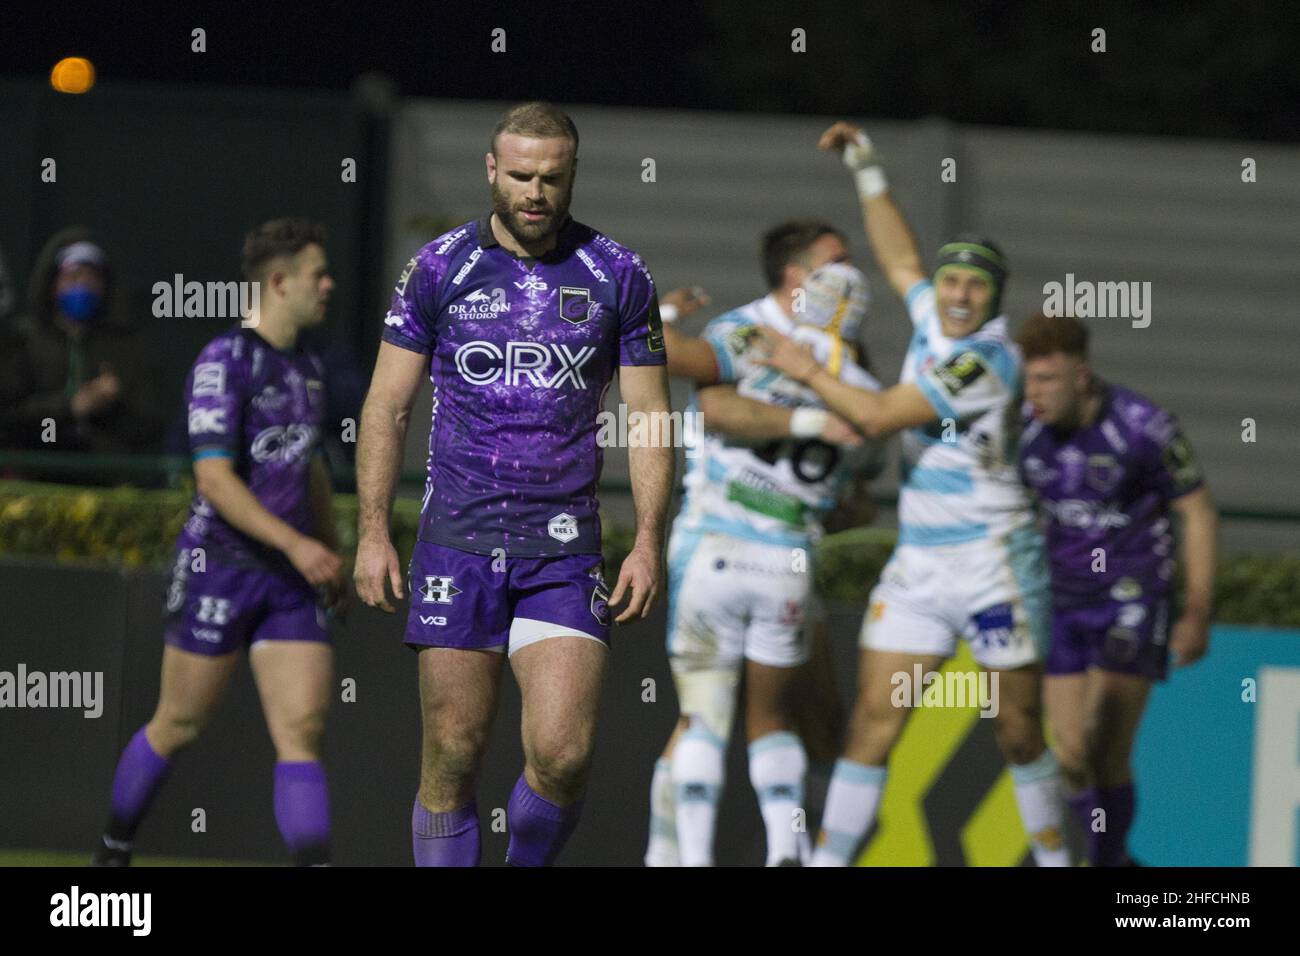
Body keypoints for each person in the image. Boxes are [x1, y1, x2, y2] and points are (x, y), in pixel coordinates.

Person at [353, 102, 675, 867]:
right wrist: (371, 532)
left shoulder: (618, 273)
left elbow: (652, 417)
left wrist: (651, 543)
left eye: (552, 178)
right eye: (521, 175)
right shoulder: (438, 267)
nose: (535, 192)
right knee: (455, 754)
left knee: (562, 754)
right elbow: (386, 405)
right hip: (456, 540)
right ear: (492, 170)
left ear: (572, 177)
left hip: (563, 548)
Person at [758, 122, 1070, 867]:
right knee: (873, 721)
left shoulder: (990, 360)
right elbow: (900, 258)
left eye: (974, 285)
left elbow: (875, 416)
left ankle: (1060, 861)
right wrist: (867, 171)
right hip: (921, 568)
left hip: (996, 564)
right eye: (953, 280)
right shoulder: (935, 314)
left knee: (1020, 730)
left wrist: (801, 368)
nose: (956, 295)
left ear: (994, 297)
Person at [92, 218, 349, 866]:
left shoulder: (308, 368)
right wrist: (299, 546)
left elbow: (308, 463)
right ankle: (112, 853)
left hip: (289, 581)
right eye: (317, 274)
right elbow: (213, 479)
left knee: (302, 733)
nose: (329, 284)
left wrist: (330, 546)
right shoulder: (223, 361)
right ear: (279, 282)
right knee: (178, 724)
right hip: (221, 567)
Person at [644, 224, 883, 867]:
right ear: (794, 275)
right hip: (787, 558)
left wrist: (663, 314)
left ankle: (691, 857)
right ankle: (787, 849)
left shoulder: (751, 339)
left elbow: (670, 363)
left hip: (717, 544)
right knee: (773, 719)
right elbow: (868, 457)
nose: (853, 272)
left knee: (708, 716)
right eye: (840, 262)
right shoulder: (856, 377)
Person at [1017, 312, 1217, 866]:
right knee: (1072, 754)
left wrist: (1197, 607)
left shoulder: (1144, 427)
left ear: (1081, 376)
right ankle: (1119, 864)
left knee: (1105, 744)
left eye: (1047, 381)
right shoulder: (1022, 429)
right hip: (1062, 603)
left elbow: (1197, 512)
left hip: (1133, 599)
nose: (1034, 394)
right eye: (1028, 380)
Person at [0, 228, 164, 465]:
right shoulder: (23, 340)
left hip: (105, 479)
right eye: (74, 276)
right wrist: (71, 408)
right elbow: (10, 416)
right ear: (53, 283)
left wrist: (110, 403)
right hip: (33, 479)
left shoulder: (126, 347)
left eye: (92, 277)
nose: (84, 284)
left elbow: (150, 425)